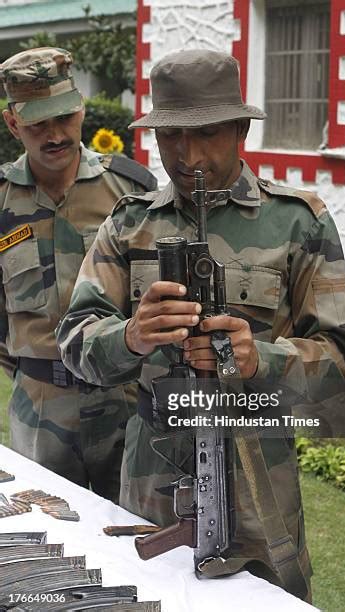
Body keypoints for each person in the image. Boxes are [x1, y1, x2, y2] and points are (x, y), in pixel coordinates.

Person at [57, 49, 345, 599]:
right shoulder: (129, 225)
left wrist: (261, 359)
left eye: (207, 133)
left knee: (265, 600)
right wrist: (130, 335)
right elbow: (75, 342)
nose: (187, 154)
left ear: (241, 128)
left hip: (258, 473)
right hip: (153, 472)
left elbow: (341, 361)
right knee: (149, 597)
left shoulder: (299, 221)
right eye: (169, 136)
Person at [0, 47, 157, 503]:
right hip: (40, 404)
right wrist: (36, 369)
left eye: (65, 117)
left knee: (134, 534)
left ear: (81, 108)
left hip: (123, 399)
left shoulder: (132, 191)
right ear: (13, 124)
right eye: (38, 124)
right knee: (47, 536)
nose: (55, 135)